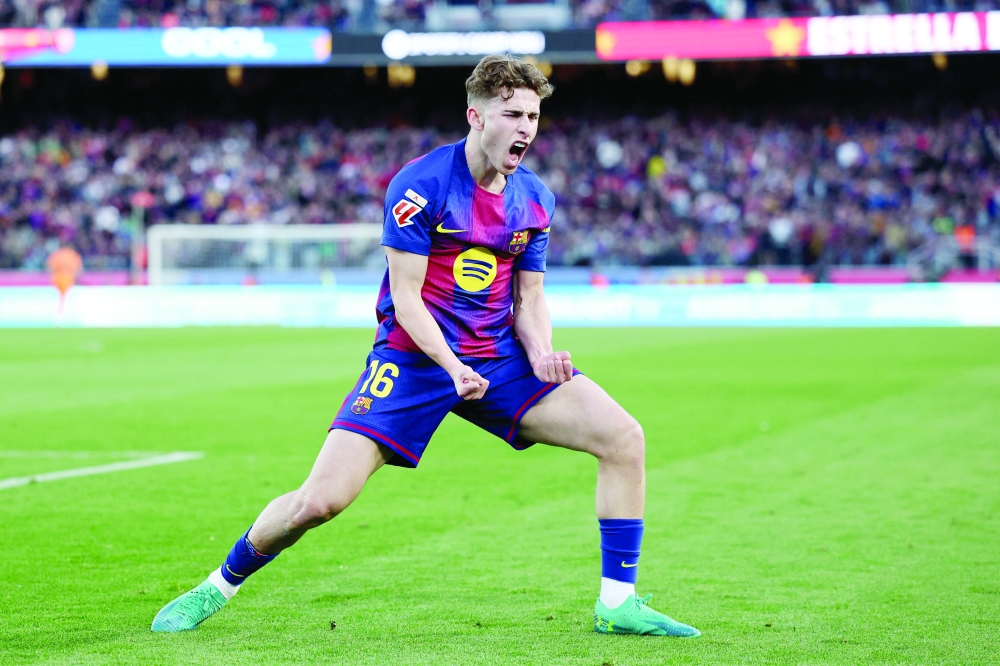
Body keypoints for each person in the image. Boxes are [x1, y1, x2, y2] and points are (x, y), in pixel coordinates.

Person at [152, 54, 700, 638]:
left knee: (623, 438)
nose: (525, 129)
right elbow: (407, 299)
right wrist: (451, 365)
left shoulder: (535, 199)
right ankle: (216, 586)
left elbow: (530, 298)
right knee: (321, 502)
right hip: (413, 359)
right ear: (475, 116)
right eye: (512, 114)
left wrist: (540, 351)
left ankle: (618, 602)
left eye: (533, 116)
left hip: (497, 357)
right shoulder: (421, 185)